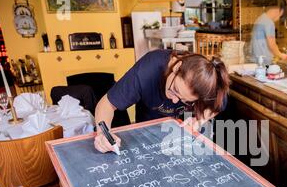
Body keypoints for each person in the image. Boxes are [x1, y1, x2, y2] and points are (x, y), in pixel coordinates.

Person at [94, 49, 230, 154]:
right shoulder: (147, 70)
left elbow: (218, 105)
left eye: (185, 101)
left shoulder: (208, 83)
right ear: (177, 67)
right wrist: (102, 134)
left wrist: (200, 119)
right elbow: (107, 104)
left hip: (179, 135)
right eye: (175, 90)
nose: (174, 99)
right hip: (146, 129)